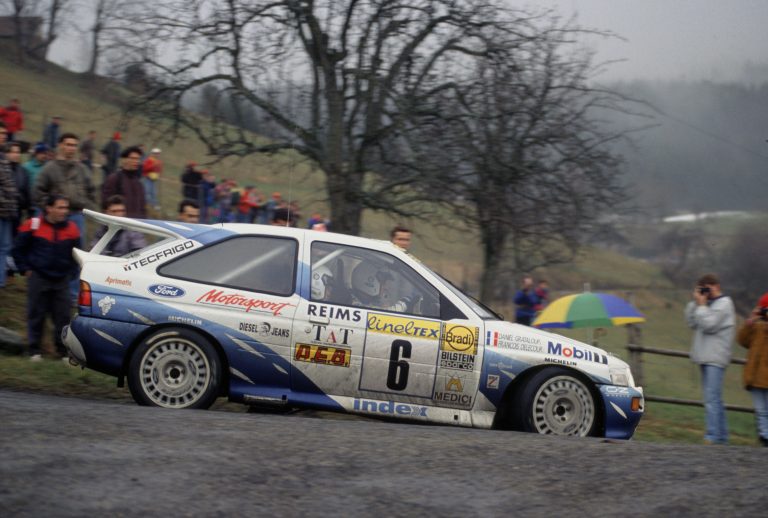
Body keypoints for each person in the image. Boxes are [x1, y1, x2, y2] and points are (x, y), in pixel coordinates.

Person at [12, 194, 80, 361]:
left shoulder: (72, 228)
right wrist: (25, 269)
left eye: (66, 208)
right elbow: (17, 249)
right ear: (49, 208)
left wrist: (72, 272)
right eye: (60, 207)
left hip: (61, 279)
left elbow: (77, 253)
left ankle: (63, 352)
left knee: (63, 316)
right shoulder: (33, 224)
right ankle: (34, 351)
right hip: (38, 277)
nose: (64, 211)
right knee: (36, 314)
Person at [684, 273, 735, 445]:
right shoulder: (705, 305)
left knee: (712, 398)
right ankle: (721, 437)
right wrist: (695, 302)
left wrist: (701, 305)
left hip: (716, 357)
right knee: (714, 398)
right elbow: (692, 322)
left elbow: (709, 324)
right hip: (705, 356)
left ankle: (713, 436)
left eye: (709, 287)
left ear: (717, 286)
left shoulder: (724, 303)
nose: (707, 290)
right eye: (703, 287)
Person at [34, 132, 97, 246]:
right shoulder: (49, 168)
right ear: (60, 145)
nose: (72, 148)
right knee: (54, 248)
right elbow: (38, 192)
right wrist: (51, 210)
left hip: (77, 216)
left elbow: (91, 191)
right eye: (68, 144)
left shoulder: (82, 169)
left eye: (74, 145)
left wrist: (85, 208)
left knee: (76, 250)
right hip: (55, 218)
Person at [736, 293, 768, 447]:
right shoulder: (756, 326)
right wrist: (750, 321)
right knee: (760, 410)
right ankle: (764, 437)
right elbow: (742, 340)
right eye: (763, 308)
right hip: (754, 376)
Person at [101, 146, 146, 218]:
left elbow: (142, 208)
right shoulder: (115, 179)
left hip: (136, 223)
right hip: (119, 222)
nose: (136, 161)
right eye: (133, 158)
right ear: (124, 160)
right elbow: (105, 204)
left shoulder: (139, 183)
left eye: (138, 159)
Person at [0, 137, 18, 288]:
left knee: (5, 247)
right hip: (2, 208)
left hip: (7, 211)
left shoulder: (4, 159)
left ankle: (1, 281)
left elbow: (9, 186)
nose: (3, 136)